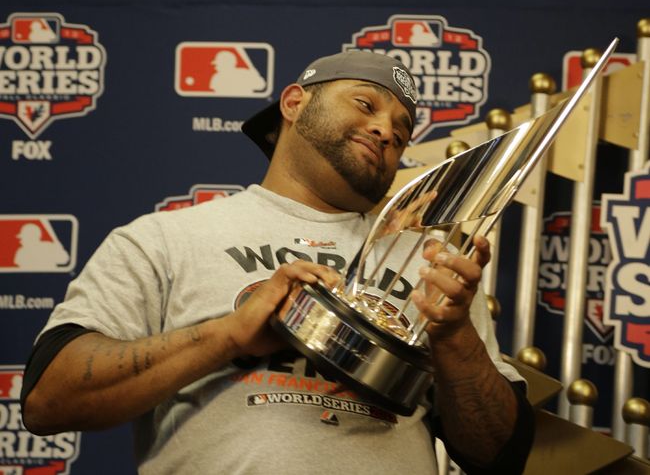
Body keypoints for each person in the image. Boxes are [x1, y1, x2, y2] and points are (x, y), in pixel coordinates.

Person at [21, 51, 534, 474]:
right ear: (294, 102)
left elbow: (497, 453)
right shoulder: (166, 239)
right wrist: (228, 335)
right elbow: (49, 400)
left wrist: (454, 338)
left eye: (401, 133)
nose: (385, 130)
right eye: (365, 104)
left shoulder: (429, 267)